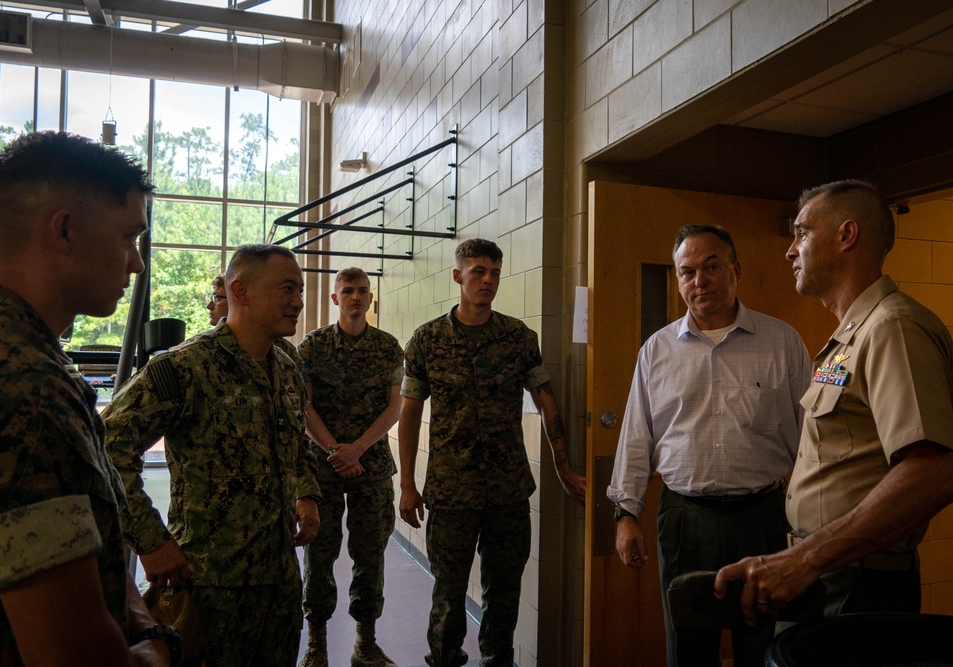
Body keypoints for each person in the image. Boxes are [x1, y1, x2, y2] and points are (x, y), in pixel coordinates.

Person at [0, 131, 173, 666]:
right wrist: (165, 648)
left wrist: (141, 626)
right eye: (128, 237)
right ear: (66, 231)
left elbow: (82, 541)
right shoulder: (16, 386)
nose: (136, 264)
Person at [715, 180, 953, 625]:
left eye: (802, 233)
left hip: (857, 581)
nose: (790, 251)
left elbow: (932, 472)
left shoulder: (892, 328)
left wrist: (805, 560)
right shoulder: (852, 335)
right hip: (828, 570)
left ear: (847, 235)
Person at [103, 244, 321, 667]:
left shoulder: (287, 367)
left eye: (300, 290)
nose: (297, 302)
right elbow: (107, 447)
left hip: (279, 584)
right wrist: (150, 541)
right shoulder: (185, 367)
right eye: (287, 289)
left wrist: (307, 494)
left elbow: (296, 444)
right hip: (210, 586)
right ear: (241, 291)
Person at [607, 225, 810, 667]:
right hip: (685, 520)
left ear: (735, 270)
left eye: (711, 267)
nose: (699, 281)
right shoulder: (656, 351)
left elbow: (813, 440)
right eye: (687, 272)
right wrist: (626, 514)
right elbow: (636, 437)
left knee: (762, 645)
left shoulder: (783, 342)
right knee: (688, 648)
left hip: (763, 519)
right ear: (679, 280)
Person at [398, 238, 586, 667]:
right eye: (479, 271)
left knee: (504, 593)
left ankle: (496, 661)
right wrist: (408, 484)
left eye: (495, 272)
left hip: (508, 490)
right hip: (450, 491)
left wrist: (562, 465)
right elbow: (409, 415)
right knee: (448, 592)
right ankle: (444, 658)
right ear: (457, 275)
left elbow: (546, 398)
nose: (488, 280)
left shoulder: (518, 337)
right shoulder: (426, 340)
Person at [297, 267, 404, 667]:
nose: (356, 297)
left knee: (370, 554)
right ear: (334, 299)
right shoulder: (313, 346)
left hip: (371, 466)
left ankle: (365, 643)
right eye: (348, 291)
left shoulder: (388, 347)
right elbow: (304, 406)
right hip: (323, 467)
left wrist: (357, 449)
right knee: (319, 554)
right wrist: (334, 450)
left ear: (371, 298)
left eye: (362, 291)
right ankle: (317, 645)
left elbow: (395, 407)